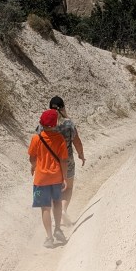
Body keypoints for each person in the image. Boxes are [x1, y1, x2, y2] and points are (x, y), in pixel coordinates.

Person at [28, 108, 68, 248]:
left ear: (41, 123)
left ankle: (49, 238)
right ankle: (57, 228)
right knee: (57, 203)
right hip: (56, 177)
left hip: (41, 179)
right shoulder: (60, 139)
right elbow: (64, 160)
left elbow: (32, 158)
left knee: (45, 208)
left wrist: (34, 167)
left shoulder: (36, 138)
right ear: (55, 123)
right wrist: (64, 178)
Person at [46, 96, 85, 225]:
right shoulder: (69, 124)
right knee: (69, 187)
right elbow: (77, 142)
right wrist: (81, 155)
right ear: (63, 107)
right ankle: (63, 210)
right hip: (67, 160)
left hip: (50, 161)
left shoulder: (44, 124)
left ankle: (55, 215)